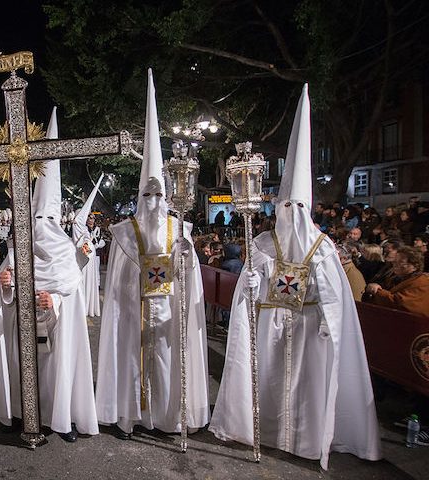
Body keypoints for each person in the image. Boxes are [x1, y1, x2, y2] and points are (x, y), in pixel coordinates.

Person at [210, 85, 381, 469]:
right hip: (270, 326)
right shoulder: (263, 242)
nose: (291, 213)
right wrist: (249, 287)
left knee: (305, 389)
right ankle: (262, 431)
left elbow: (335, 295)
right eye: (286, 206)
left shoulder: (321, 248)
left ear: (308, 209)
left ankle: (305, 440)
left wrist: (327, 322)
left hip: (307, 329)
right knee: (268, 383)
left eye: (298, 206)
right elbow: (249, 289)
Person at [95, 70, 209, 440]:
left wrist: (188, 257)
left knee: (167, 362)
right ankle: (129, 415)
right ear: (138, 195)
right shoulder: (124, 232)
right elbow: (115, 281)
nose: (154, 202)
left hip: (169, 312)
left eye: (159, 196)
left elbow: (191, 281)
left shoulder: (181, 229)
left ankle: (167, 417)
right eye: (147, 195)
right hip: (132, 312)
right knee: (132, 360)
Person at [0, 107, 98, 443]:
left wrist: (58, 300)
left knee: (57, 371)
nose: (41, 228)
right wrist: (6, 287)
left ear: (56, 220)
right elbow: (5, 282)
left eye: (47, 221)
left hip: (58, 325)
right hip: (24, 322)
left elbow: (73, 288)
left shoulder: (65, 249)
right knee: (26, 369)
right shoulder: (18, 246)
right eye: (37, 221)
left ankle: (62, 418)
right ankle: (24, 414)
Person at [72, 177, 105, 318]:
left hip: (87, 260)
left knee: (87, 283)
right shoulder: (78, 228)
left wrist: (89, 246)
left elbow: (89, 245)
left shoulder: (84, 230)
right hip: (82, 260)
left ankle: (86, 306)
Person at [364, 246, 429, 316]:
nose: (395, 264)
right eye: (395, 261)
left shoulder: (423, 282)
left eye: (401, 262)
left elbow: (402, 304)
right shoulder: (395, 278)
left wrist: (377, 291)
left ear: (415, 265)